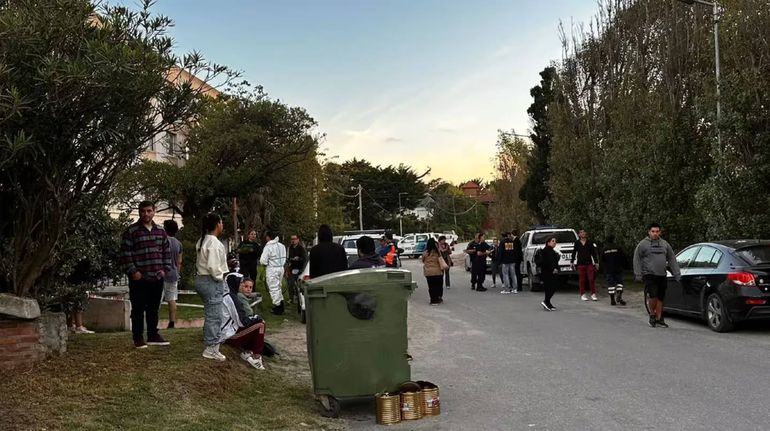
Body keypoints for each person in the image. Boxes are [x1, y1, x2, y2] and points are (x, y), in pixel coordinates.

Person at [120, 201, 172, 349]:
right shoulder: (131, 231)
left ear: (154, 211)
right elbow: (125, 254)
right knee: (138, 309)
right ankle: (138, 338)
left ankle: (153, 335)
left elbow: (166, 252)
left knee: (153, 309)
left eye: (149, 211)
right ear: (139, 212)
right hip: (139, 278)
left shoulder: (160, 231)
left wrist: (165, 270)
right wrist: (133, 271)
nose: (146, 214)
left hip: (157, 276)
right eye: (143, 211)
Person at [195, 212, 229, 361]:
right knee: (215, 316)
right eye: (221, 222)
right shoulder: (214, 243)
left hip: (201, 278)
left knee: (211, 313)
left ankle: (211, 342)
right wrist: (221, 277)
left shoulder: (203, 240)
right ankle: (211, 348)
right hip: (211, 280)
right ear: (218, 224)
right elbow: (213, 267)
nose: (222, 225)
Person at [633, 223, 681, 328]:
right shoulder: (643, 244)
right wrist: (638, 274)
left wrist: (676, 273)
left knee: (660, 297)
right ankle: (652, 314)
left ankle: (659, 318)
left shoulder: (664, 244)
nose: (655, 233)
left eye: (657, 231)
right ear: (649, 232)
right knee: (653, 295)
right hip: (649, 274)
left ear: (660, 232)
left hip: (662, 274)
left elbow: (672, 258)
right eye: (653, 231)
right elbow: (636, 259)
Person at [220, 271, 266, 370]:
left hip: (223, 331)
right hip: (227, 336)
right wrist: (255, 319)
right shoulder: (232, 298)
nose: (241, 285)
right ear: (234, 283)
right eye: (240, 282)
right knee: (261, 324)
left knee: (256, 323)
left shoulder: (226, 294)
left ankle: (248, 351)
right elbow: (242, 321)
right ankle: (256, 356)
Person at [260, 229, 287, 315]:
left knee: (273, 288)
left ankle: (278, 307)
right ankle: (281, 304)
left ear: (268, 237)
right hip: (281, 268)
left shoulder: (268, 246)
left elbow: (263, 261)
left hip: (272, 269)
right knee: (278, 287)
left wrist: (266, 263)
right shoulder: (282, 246)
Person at [162, 219, 183, 329]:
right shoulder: (179, 244)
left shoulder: (163, 241)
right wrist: (177, 273)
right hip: (174, 274)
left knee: (156, 299)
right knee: (172, 299)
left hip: (162, 273)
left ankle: (152, 322)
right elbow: (179, 261)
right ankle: (172, 322)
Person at [571, 229, 600, 301]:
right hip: (580, 263)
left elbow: (593, 253)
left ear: (586, 234)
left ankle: (593, 294)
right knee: (582, 280)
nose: (583, 233)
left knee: (591, 279)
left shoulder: (590, 242)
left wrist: (596, 262)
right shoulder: (577, 243)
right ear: (579, 235)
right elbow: (574, 252)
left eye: (584, 232)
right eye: (581, 232)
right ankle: (582, 294)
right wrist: (572, 261)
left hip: (589, 263)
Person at [602, 235, 627, 306]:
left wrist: (604, 270)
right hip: (618, 269)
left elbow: (602, 260)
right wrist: (624, 266)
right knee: (620, 283)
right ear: (614, 239)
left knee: (611, 285)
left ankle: (612, 300)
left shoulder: (604, 249)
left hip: (609, 270)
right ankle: (619, 294)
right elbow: (623, 257)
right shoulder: (618, 247)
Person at [540, 236, 561, 311]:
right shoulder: (547, 250)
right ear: (548, 242)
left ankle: (548, 303)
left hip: (550, 272)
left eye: (555, 241)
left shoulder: (551, 250)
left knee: (550, 287)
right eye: (553, 241)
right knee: (551, 287)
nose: (554, 242)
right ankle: (546, 301)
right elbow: (549, 261)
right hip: (548, 272)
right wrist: (553, 268)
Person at [422, 238, 444, 305]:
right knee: (437, 286)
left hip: (428, 272)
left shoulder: (425, 253)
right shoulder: (437, 253)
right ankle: (438, 298)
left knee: (431, 287)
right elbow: (441, 260)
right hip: (438, 271)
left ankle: (433, 300)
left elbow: (423, 261)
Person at [286, 234, 307, 304]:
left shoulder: (301, 248)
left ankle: (299, 299)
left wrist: (298, 259)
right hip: (291, 268)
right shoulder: (290, 248)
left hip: (299, 269)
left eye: (294, 239)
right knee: (290, 284)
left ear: (298, 240)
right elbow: (287, 258)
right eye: (292, 239)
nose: (293, 240)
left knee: (298, 285)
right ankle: (291, 298)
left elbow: (305, 259)